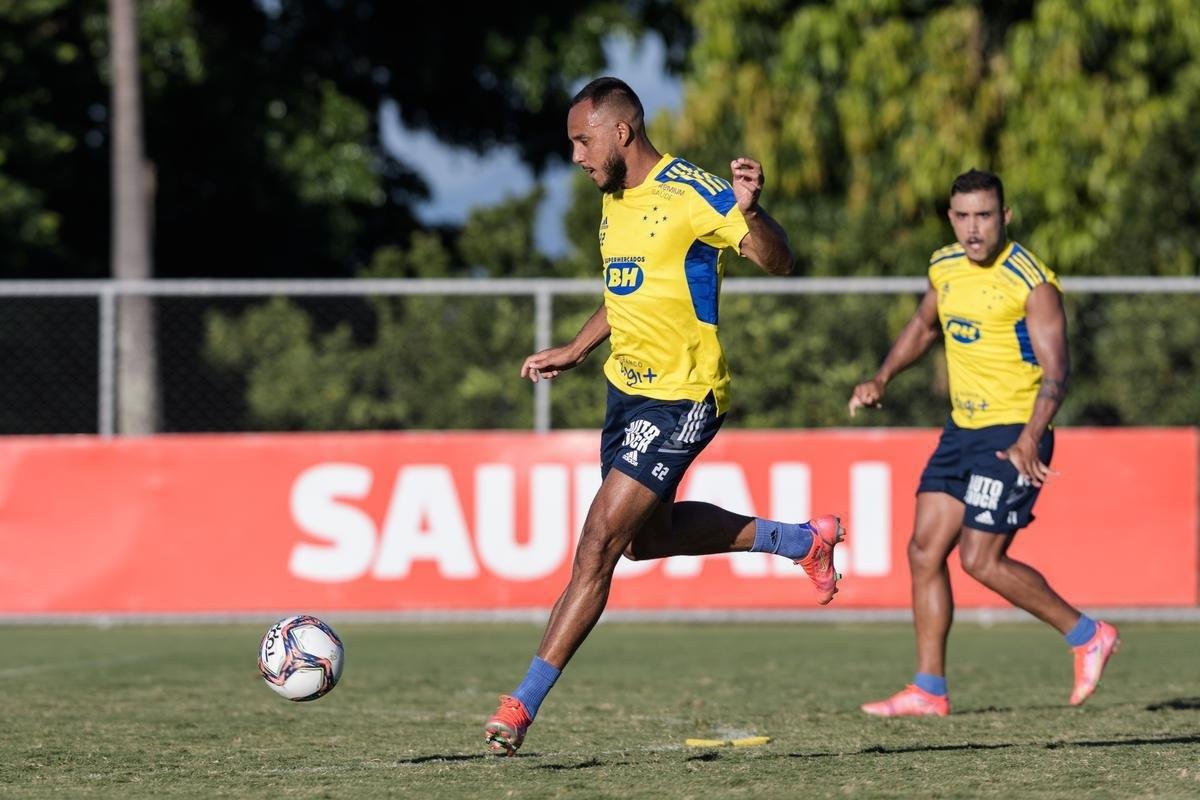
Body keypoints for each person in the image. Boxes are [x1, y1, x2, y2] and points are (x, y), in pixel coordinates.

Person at [483, 77, 847, 756]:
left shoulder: (695, 192)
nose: (575, 157)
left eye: (580, 141)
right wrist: (576, 348)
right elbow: (626, 290)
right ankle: (801, 541)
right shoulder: (613, 199)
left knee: (598, 544)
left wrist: (751, 212)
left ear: (621, 131)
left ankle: (519, 707)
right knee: (649, 540)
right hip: (626, 394)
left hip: (684, 394)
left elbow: (781, 262)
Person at [849, 169, 1119, 717]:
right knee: (924, 551)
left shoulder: (1031, 281)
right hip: (961, 432)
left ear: (1005, 217)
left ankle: (1087, 634)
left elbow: (1058, 371)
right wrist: (883, 376)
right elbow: (925, 326)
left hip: (1014, 432)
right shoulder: (944, 266)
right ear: (951, 218)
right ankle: (929, 688)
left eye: (985, 216)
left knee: (980, 559)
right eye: (964, 216)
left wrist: (1030, 437)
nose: (974, 228)